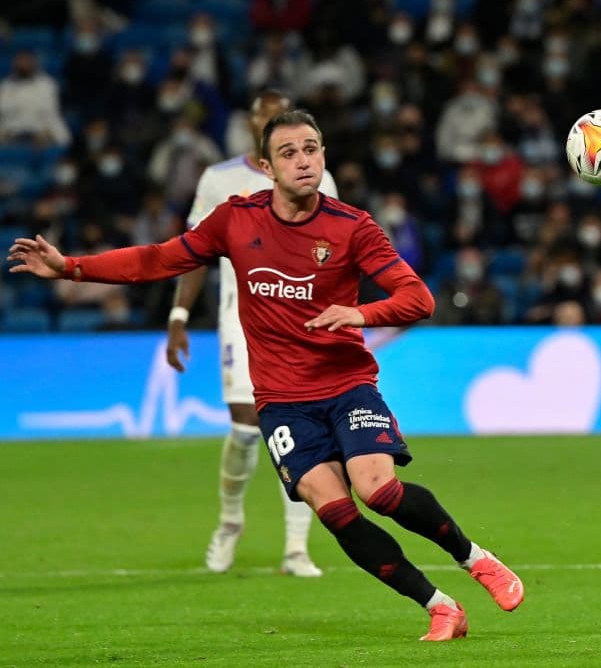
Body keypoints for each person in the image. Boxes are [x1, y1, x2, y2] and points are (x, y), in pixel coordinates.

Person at [8, 109, 524, 642]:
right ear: (265, 166)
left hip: (347, 383)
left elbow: (419, 298)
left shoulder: (353, 226)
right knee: (336, 512)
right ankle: (441, 607)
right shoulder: (236, 219)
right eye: (289, 153)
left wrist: (360, 313)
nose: (303, 161)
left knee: (377, 491)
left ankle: (475, 559)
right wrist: (70, 266)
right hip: (282, 400)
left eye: (312, 149)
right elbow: (159, 260)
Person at [166, 90, 338, 578]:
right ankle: (229, 523)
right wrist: (179, 317)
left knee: (307, 426)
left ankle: (297, 548)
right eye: (267, 117)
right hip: (241, 316)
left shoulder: (319, 176)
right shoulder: (220, 179)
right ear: (253, 124)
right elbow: (193, 252)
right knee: (246, 426)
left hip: (304, 318)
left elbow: (336, 246)